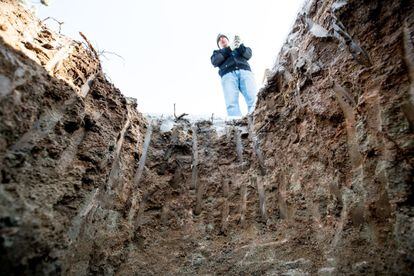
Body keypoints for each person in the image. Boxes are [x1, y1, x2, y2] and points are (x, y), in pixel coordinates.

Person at [210, 34, 257, 118]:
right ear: (219, 45)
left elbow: (248, 54)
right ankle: (236, 124)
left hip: (245, 72)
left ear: (228, 40)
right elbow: (215, 61)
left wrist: (239, 46)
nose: (221, 39)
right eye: (219, 39)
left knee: (253, 98)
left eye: (223, 37)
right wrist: (229, 49)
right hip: (228, 75)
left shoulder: (239, 48)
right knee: (231, 102)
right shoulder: (217, 52)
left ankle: (256, 117)